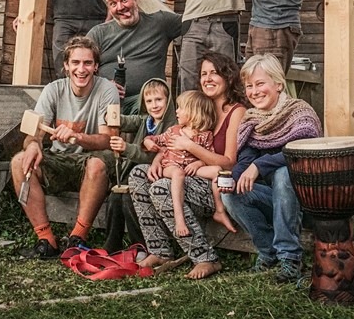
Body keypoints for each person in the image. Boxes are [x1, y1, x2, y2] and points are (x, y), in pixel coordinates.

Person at [128, 51, 246, 280]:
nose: (208, 78)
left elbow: (229, 163)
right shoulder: (197, 106)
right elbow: (172, 140)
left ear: (228, 76)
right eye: (204, 74)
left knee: (161, 187)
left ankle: (205, 257)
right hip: (186, 173)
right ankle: (159, 250)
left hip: (216, 185)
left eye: (215, 73)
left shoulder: (236, 111)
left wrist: (191, 147)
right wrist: (158, 159)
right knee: (138, 174)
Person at [10, 36, 120, 259]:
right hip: (58, 159)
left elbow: (108, 139)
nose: (81, 69)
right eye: (76, 63)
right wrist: (33, 145)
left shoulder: (106, 90)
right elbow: (34, 132)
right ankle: (46, 240)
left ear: (96, 66)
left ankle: (76, 239)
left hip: (90, 160)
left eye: (88, 63)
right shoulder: (53, 90)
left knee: (98, 164)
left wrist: (77, 137)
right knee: (19, 161)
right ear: (66, 66)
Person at [220, 54, 322, 283]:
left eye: (260, 84)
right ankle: (269, 253)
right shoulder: (252, 120)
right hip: (275, 201)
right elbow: (244, 160)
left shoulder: (300, 113)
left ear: (278, 83)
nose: (254, 91)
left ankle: (290, 257)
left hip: (308, 201)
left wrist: (259, 165)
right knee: (232, 194)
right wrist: (231, 179)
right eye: (249, 86)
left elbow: (299, 153)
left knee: (284, 173)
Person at [88, 0, 182, 114]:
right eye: (113, 4)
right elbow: (80, 66)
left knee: (156, 103)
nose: (120, 7)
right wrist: (102, 85)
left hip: (149, 102)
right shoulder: (98, 33)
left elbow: (193, 22)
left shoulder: (161, 22)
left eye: (124, 0)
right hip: (109, 101)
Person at [103, 77, 174, 251]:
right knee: (115, 196)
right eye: (149, 101)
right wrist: (110, 116)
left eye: (159, 100)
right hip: (134, 174)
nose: (154, 105)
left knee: (129, 198)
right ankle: (112, 245)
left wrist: (126, 148)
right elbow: (126, 121)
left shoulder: (171, 127)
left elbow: (152, 158)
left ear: (168, 100)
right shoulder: (145, 120)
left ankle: (140, 245)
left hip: (155, 176)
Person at [146, 90, 218, 238]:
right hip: (171, 167)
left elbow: (209, 156)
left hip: (191, 168)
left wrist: (198, 163)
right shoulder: (174, 131)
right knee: (178, 173)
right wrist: (147, 141)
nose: (176, 111)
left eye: (180, 107)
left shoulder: (205, 135)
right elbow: (156, 139)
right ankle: (180, 219)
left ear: (193, 112)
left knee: (217, 170)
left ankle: (220, 209)